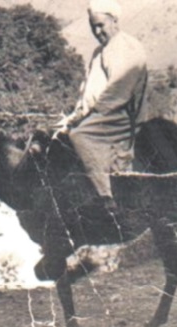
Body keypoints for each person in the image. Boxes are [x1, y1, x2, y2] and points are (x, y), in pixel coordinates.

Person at [55, 0, 148, 242]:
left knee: (81, 136)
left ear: (114, 21)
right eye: (93, 27)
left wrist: (86, 118)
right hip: (102, 112)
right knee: (62, 137)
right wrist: (73, 117)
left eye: (101, 26)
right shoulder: (99, 53)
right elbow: (88, 92)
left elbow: (119, 90)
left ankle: (107, 198)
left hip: (120, 115)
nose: (98, 32)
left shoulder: (128, 47)